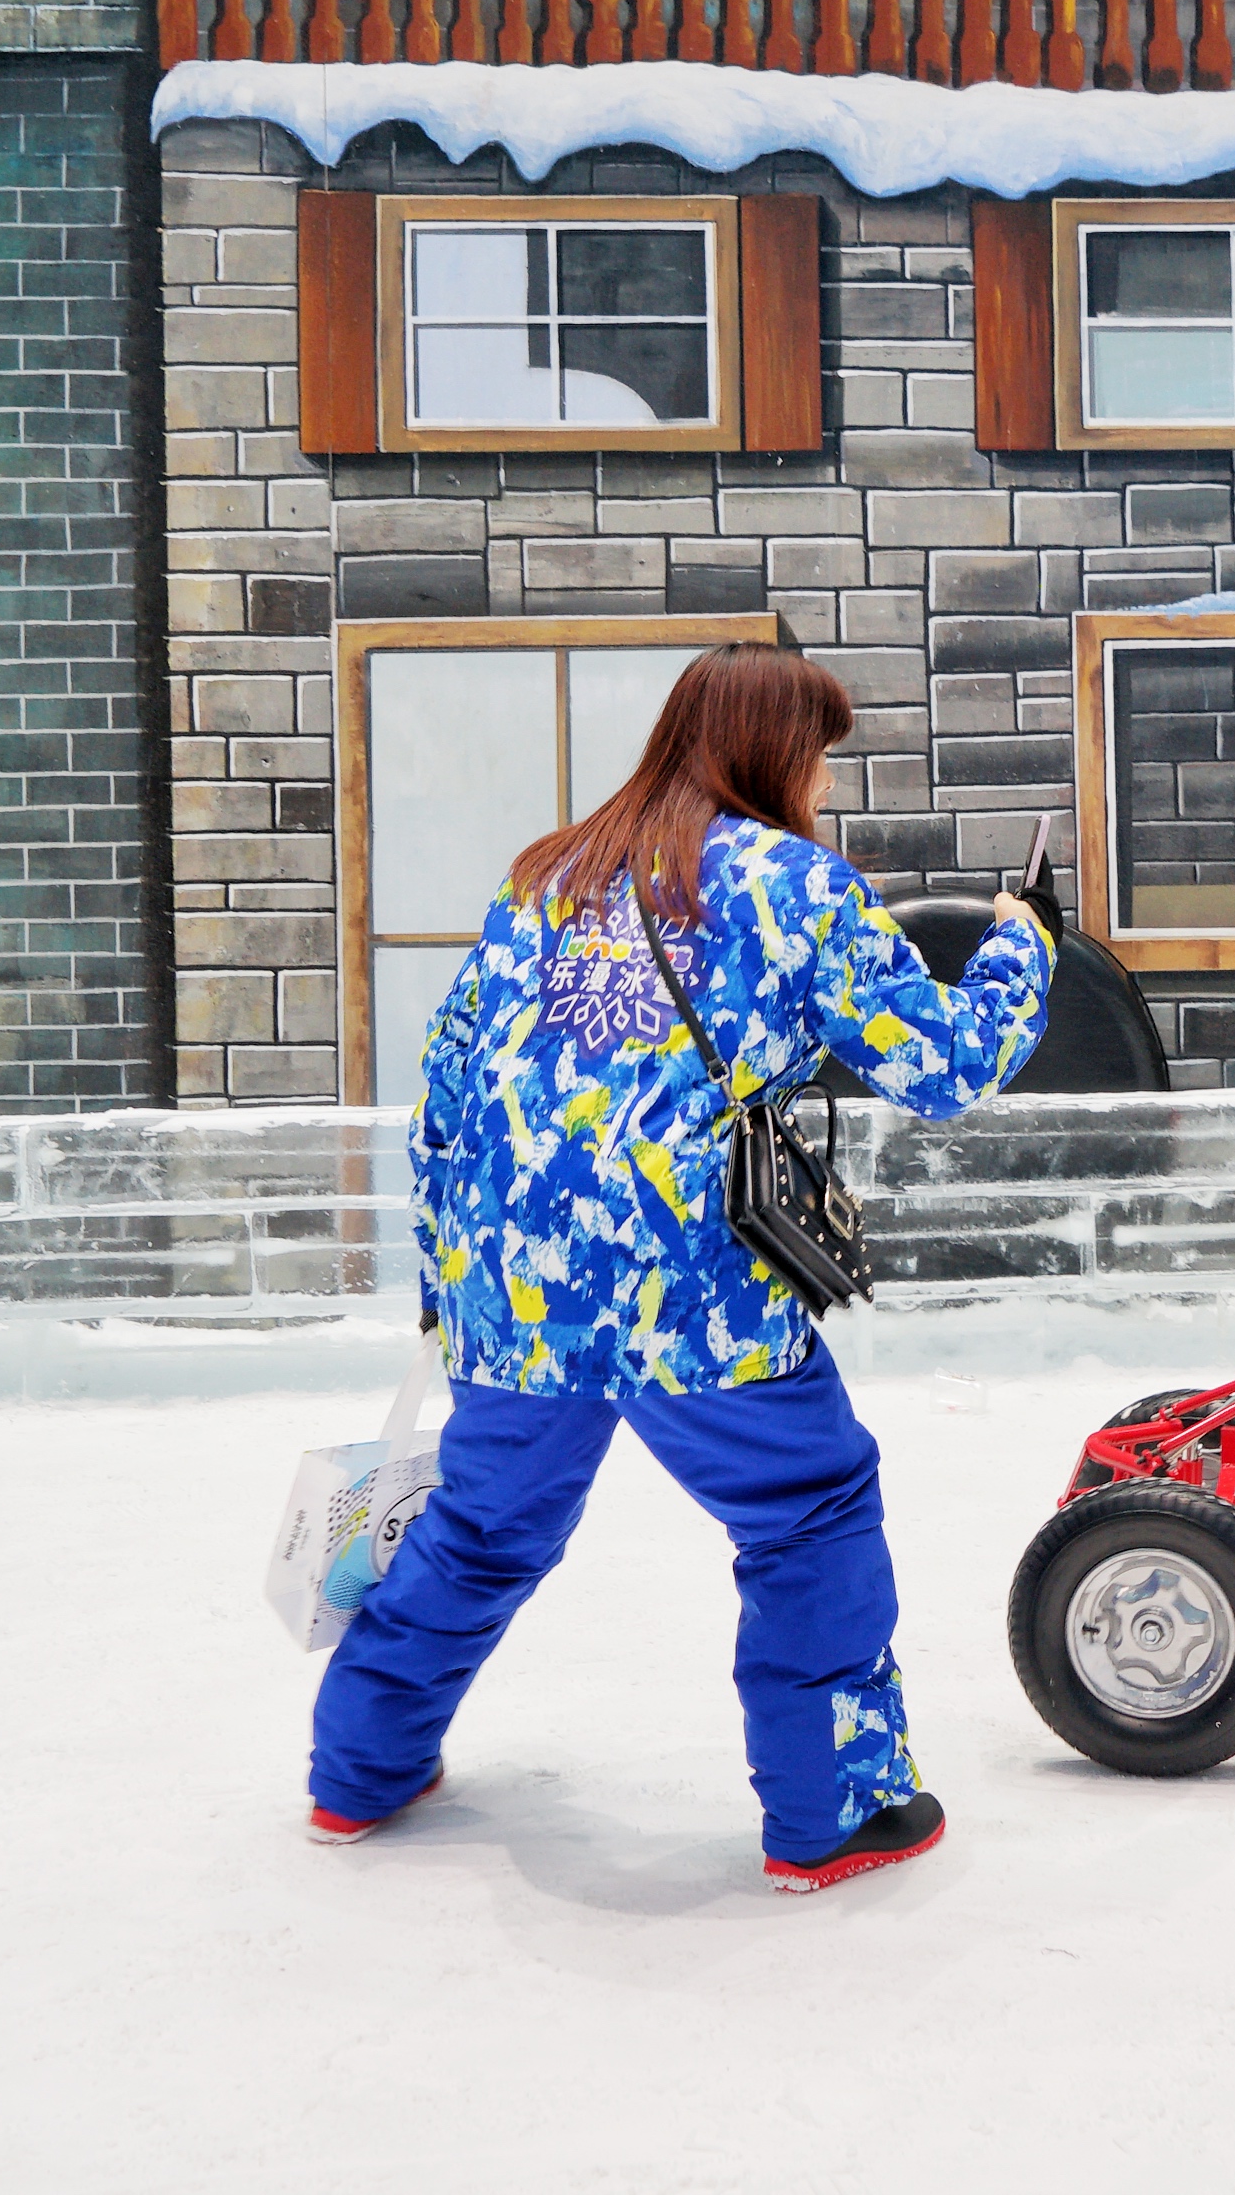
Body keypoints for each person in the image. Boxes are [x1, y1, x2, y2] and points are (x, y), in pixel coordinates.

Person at [307, 643, 1053, 1892]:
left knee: (485, 1527)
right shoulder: (795, 883)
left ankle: (357, 1771)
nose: (820, 779)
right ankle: (833, 1812)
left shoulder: (543, 876)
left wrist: (447, 1283)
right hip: (692, 1293)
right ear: (776, 752)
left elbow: (443, 1083)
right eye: (815, 753)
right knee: (809, 1509)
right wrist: (1019, 939)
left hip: (518, 1281)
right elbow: (947, 1062)